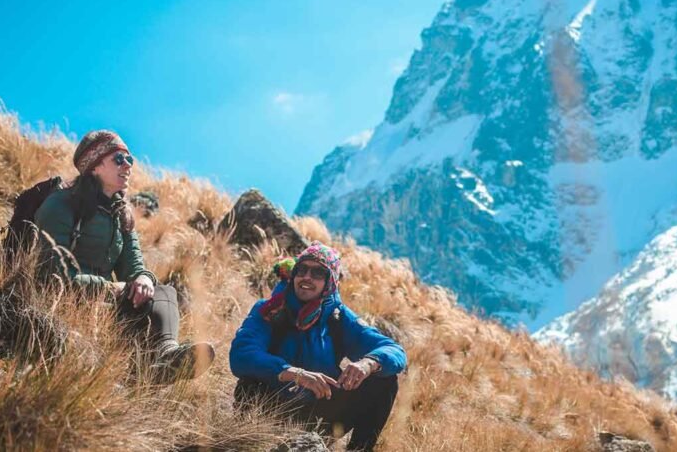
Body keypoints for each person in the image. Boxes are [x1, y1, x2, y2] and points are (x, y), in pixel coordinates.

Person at [35, 130, 213, 382]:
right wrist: (110, 289)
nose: (128, 166)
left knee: (164, 292)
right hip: (64, 302)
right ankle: (144, 373)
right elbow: (51, 276)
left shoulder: (120, 213)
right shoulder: (60, 206)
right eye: (119, 159)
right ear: (94, 166)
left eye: (130, 160)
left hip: (106, 302)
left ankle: (166, 355)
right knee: (140, 299)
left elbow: (134, 263)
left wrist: (143, 279)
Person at [231, 242, 406, 452]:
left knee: (384, 381)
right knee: (249, 382)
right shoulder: (270, 309)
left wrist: (368, 364)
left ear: (330, 282)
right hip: (269, 408)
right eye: (301, 270)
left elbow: (394, 350)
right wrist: (292, 373)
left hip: (320, 412)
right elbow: (241, 355)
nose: (307, 277)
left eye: (317, 273)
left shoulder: (338, 318)